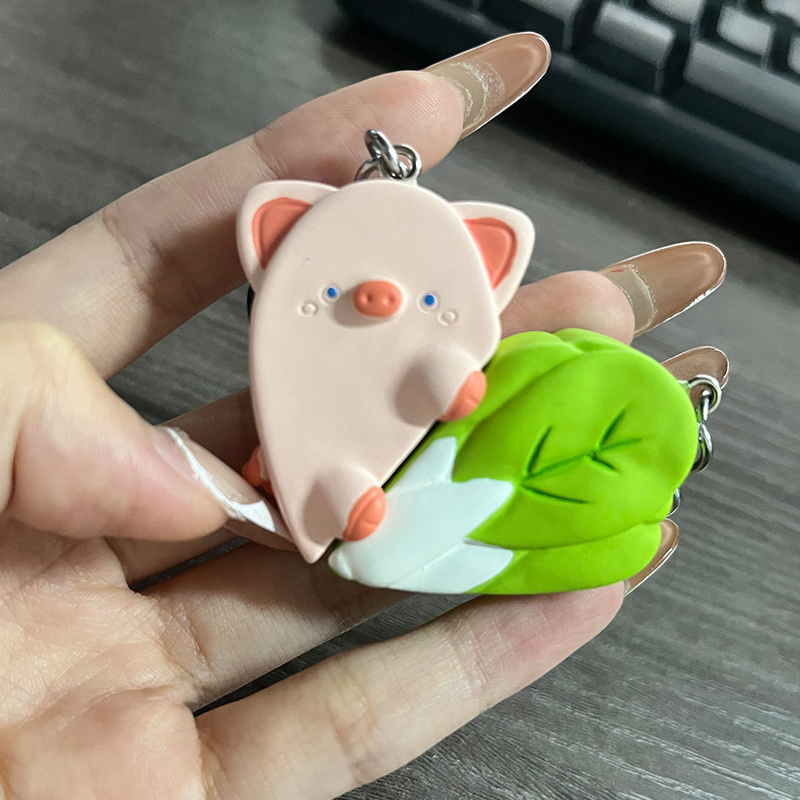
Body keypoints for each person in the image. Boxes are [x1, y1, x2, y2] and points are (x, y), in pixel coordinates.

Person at [0, 33, 723, 800]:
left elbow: (453, 387)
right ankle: (338, 504)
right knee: (332, 478)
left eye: (430, 298)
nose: (380, 299)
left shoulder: (460, 355)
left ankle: (347, 506)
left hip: (386, 488)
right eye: (337, 288)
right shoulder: (300, 352)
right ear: (275, 249)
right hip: (332, 479)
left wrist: (447, 386)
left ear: (489, 267)